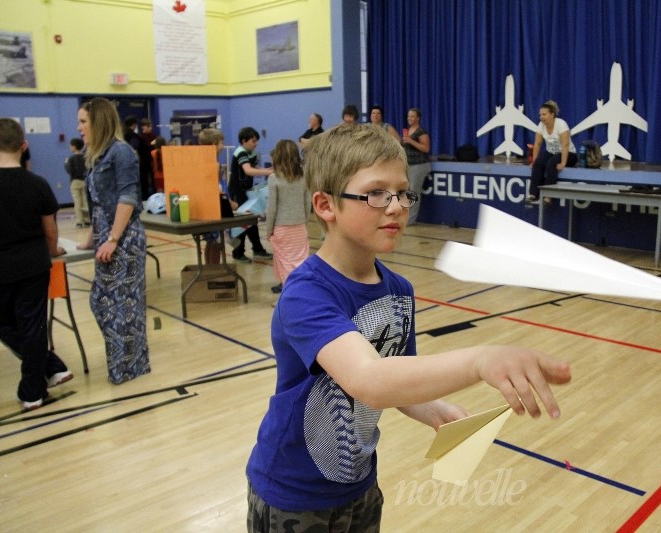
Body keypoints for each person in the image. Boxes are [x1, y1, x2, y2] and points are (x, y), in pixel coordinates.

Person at [245, 123, 571, 532]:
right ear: (326, 205)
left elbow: (398, 380)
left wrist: (436, 410)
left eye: (402, 192)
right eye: (376, 193)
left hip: (359, 483)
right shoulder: (306, 294)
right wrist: (480, 359)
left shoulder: (399, 290)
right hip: (291, 494)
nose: (397, 205)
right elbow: (369, 379)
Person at [0, 117, 72, 411]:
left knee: (5, 325)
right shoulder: (37, 184)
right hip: (34, 265)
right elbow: (50, 229)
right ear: (24, 146)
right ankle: (49, 370)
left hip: (0, 268)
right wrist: (53, 250)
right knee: (31, 325)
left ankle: (35, 387)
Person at [78, 98, 150, 384]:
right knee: (104, 303)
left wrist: (112, 239)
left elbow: (128, 197)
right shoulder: (98, 155)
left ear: (98, 121)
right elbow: (97, 205)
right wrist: (90, 239)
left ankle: (129, 368)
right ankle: (128, 364)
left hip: (123, 239)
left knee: (122, 307)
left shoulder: (122, 152)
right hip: (107, 236)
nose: (80, 128)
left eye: (84, 122)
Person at [262, 139, 311, 297]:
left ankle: (288, 295)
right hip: (299, 226)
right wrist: (304, 222)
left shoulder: (274, 178)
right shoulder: (303, 177)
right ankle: (300, 290)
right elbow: (307, 203)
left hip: (282, 227)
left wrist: (268, 230)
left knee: (285, 263)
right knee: (299, 261)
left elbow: (272, 209)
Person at [228, 126, 273, 263]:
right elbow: (248, 170)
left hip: (247, 191)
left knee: (252, 219)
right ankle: (238, 252)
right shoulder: (240, 152)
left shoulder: (252, 153)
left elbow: (255, 168)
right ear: (244, 141)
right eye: (253, 141)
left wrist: (268, 169)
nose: (256, 143)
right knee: (242, 222)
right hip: (237, 191)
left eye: (256, 141)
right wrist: (269, 173)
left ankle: (258, 249)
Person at [197, 128, 238, 264]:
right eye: (221, 143)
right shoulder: (213, 165)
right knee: (216, 244)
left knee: (211, 242)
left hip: (203, 208)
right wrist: (229, 203)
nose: (223, 146)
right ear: (214, 144)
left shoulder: (199, 162)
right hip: (213, 209)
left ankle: (209, 270)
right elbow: (215, 189)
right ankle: (213, 272)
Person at [527, 100, 577, 205]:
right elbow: (537, 144)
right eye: (540, 115)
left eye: (544, 114)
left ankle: (548, 197)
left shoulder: (561, 124)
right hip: (553, 153)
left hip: (569, 154)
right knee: (539, 163)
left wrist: (563, 163)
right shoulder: (541, 125)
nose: (541, 117)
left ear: (552, 114)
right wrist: (534, 161)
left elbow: (565, 145)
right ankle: (533, 194)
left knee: (551, 164)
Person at [402, 107, 431, 225]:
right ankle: (405, 217)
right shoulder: (408, 130)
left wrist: (411, 141)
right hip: (409, 165)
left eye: (412, 116)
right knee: (407, 192)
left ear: (418, 118)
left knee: (413, 192)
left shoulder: (421, 132)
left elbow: (426, 148)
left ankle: (411, 219)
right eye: (408, 116)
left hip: (419, 165)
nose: (409, 118)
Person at [123, 116, 153, 200]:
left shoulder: (122, 134)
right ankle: (144, 198)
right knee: (143, 182)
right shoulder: (133, 136)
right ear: (134, 125)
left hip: (126, 164)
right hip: (141, 162)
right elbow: (134, 147)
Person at [64, 137, 90, 228]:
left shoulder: (70, 159)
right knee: (85, 201)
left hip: (74, 182)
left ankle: (79, 221)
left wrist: (65, 164)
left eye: (71, 146)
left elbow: (69, 170)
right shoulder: (85, 157)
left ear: (74, 147)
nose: (70, 148)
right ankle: (87, 220)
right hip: (84, 181)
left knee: (77, 202)